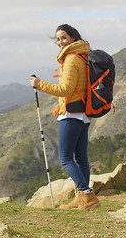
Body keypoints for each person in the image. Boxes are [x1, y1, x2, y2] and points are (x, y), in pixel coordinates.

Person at [30, 24, 100, 210]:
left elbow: (65, 89)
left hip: (71, 114)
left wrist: (39, 84)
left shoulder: (71, 59)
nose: (60, 42)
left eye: (63, 38)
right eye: (58, 39)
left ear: (73, 38)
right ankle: (82, 199)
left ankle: (87, 194)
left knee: (66, 158)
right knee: (81, 158)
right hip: (83, 113)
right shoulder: (83, 56)